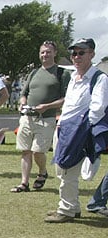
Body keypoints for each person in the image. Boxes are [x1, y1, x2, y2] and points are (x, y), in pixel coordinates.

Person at [45, 38, 108, 223]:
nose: (77, 56)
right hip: (64, 127)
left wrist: (83, 129)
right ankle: (72, 205)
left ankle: (66, 210)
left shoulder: (99, 78)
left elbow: (98, 108)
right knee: (61, 169)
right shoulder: (74, 77)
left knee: (67, 170)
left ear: (91, 54)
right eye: (74, 53)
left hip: (78, 130)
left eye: (81, 52)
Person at [10, 41, 69, 193]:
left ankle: (42, 171)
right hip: (27, 118)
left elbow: (66, 98)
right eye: (42, 52)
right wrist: (22, 103)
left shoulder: (62, 73)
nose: (45, 55)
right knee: (25, 150)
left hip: (46, 119)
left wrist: (47, 106)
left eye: (48, 52)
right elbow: (24, 94)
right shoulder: (34, 73)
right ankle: (24, 183)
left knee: (38, 151)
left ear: (55, 53)